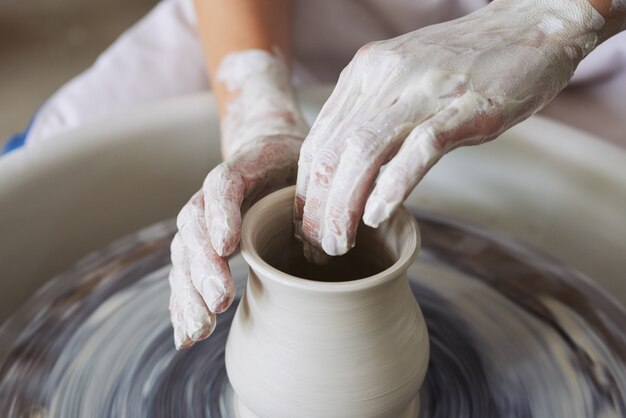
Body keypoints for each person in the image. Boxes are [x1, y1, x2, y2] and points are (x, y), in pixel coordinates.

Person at [5, 0, 625, 349]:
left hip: (598, 54)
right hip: (312, 14)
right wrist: (257, 114)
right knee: (49, 155)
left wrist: (559, 22)